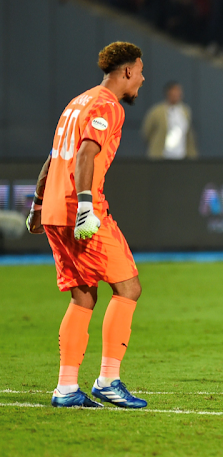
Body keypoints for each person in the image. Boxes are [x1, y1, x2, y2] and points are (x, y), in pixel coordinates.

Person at [25, 42, 148, 409]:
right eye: (140, 71)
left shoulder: (76, 103)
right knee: (128, 287)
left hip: (53, 212)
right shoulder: (107, 106)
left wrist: (35, 205)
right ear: (126, 72)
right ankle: (108, 380)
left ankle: (66, 389)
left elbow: (53, 159)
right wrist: (83, 207)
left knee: (83, 295)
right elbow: (84, 154)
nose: (142, 78)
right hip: (80, 212)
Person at [142, 81, 198, 159]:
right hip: (161, 156)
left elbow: (188, 134)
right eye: (173, 92)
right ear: (168, 93)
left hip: (181, 156)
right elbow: (146, 132)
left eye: (178, 92)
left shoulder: (185, 111)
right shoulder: (156, 111)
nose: (176, 95)